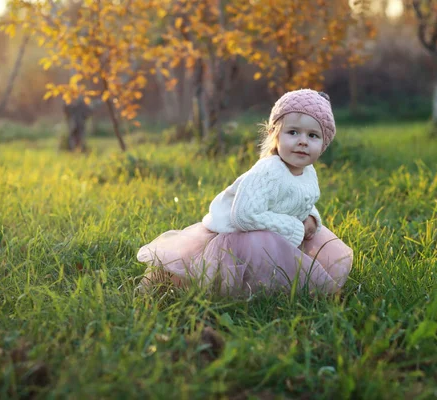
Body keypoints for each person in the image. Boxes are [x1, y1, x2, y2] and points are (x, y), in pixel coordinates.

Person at [137, 89, 353, 295]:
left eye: (313, 135)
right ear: (275, 134)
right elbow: (245, 216)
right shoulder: (268, 171)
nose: (302, 141)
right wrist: (296, 227)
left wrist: (311, 218)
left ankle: (290, 283)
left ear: (324, 143)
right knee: (258, 250)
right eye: (293, 132)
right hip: (241, 234)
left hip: (275, 227)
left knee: (319, 246)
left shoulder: (307, 171)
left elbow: (301, 199)